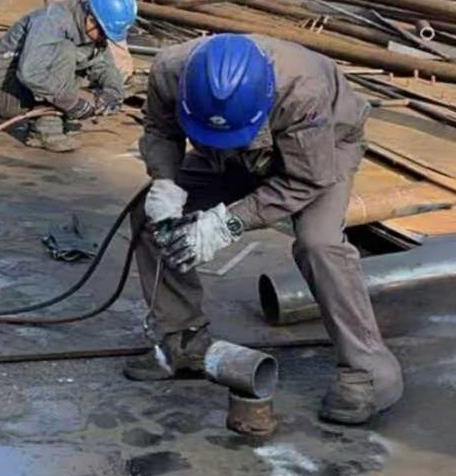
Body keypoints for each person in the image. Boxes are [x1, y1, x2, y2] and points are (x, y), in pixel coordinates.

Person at [125, 33, 403, 426]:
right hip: (232, 150)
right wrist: (166, 183)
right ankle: (182, 340)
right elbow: (160, 130)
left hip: (323, 148)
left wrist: (227, 222)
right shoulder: (170, 70)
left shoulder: (303, 90)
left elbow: (306, 179)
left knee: (318, 242)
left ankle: (371, 371)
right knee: (149, 214)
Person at [0, 0, 137, 152]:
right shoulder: (51, 22)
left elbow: (104, 65)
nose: (104, 39)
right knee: (65, 51)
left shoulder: (90, 26)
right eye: (104, 34)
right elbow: (30, 73)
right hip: (6, 93)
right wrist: (71, 103)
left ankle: (56, 111)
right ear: (91, 19)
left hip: (29, 92)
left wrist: (113, 91)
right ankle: (46, 128)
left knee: (81, 77)